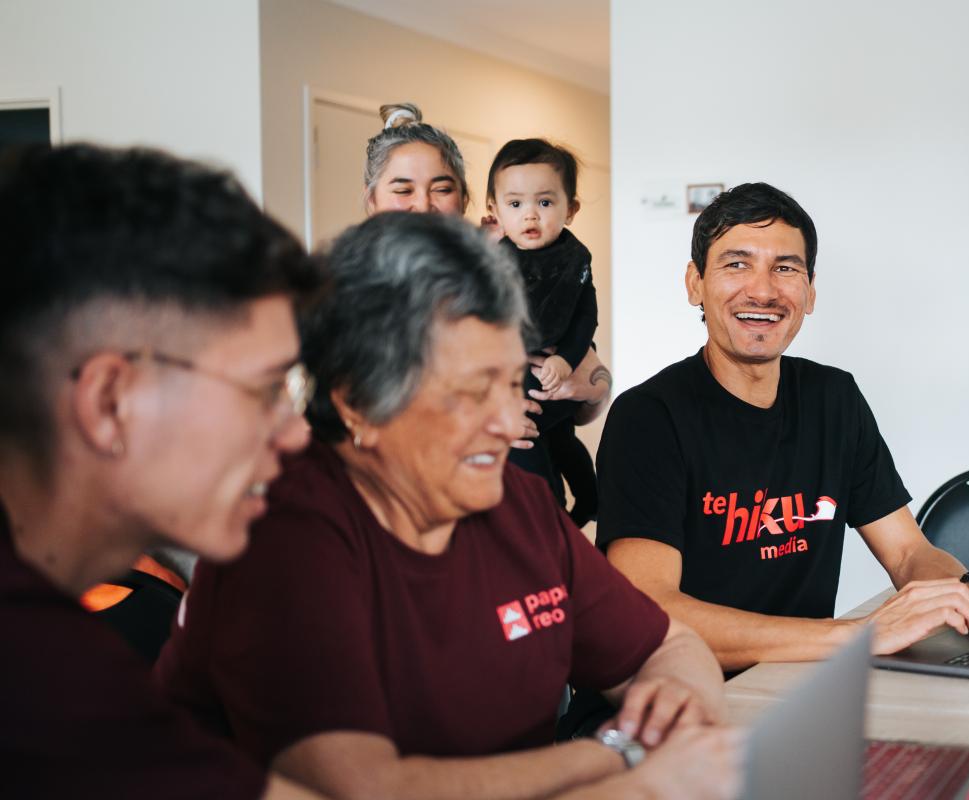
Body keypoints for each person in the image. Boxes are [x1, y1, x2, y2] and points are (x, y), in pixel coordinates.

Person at [154, 212, 743, 800]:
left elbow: (670, 648)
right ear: (358, 402)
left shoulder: (515, 502)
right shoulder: (283, 538)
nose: (509, 422)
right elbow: (370, 789)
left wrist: (672, 711)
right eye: (469, 393)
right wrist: (620, 760)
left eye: (513, 384)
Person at [596, 182, 969, 672]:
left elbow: (907, 553)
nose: (764, 290)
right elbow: (651, 612)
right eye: (736, 263)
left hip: (797, 696)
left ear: (809, 292)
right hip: (676, 705)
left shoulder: (833, 400)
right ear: (695, 284)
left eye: (785, 268)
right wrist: (858, 635)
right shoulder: (648, 417)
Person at [0, 143, 326, 799]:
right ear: (109, 402)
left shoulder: (67, 642)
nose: (293, 432)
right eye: (264, 389)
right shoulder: (33, 668)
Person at [362, 104, 612, 514]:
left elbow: (586, 389)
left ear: (465, 199)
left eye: (441, 188)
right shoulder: (357, 295)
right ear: (372, 200)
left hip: (515, 495)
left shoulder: (499, 270)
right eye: (403, 189)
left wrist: (594, 385)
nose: (423, 205)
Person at [486, 138, 600, 526]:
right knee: (542, 443)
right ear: (494, 210)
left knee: (561, 440)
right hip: (513, 379)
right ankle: (558, 520)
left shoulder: (575, 258)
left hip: (558, 369)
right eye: (515, 204)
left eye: (545, 203)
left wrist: (566, 359)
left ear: (571, 209)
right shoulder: (492, 262)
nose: (530, 216)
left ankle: (587, 500)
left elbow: (587, 316)